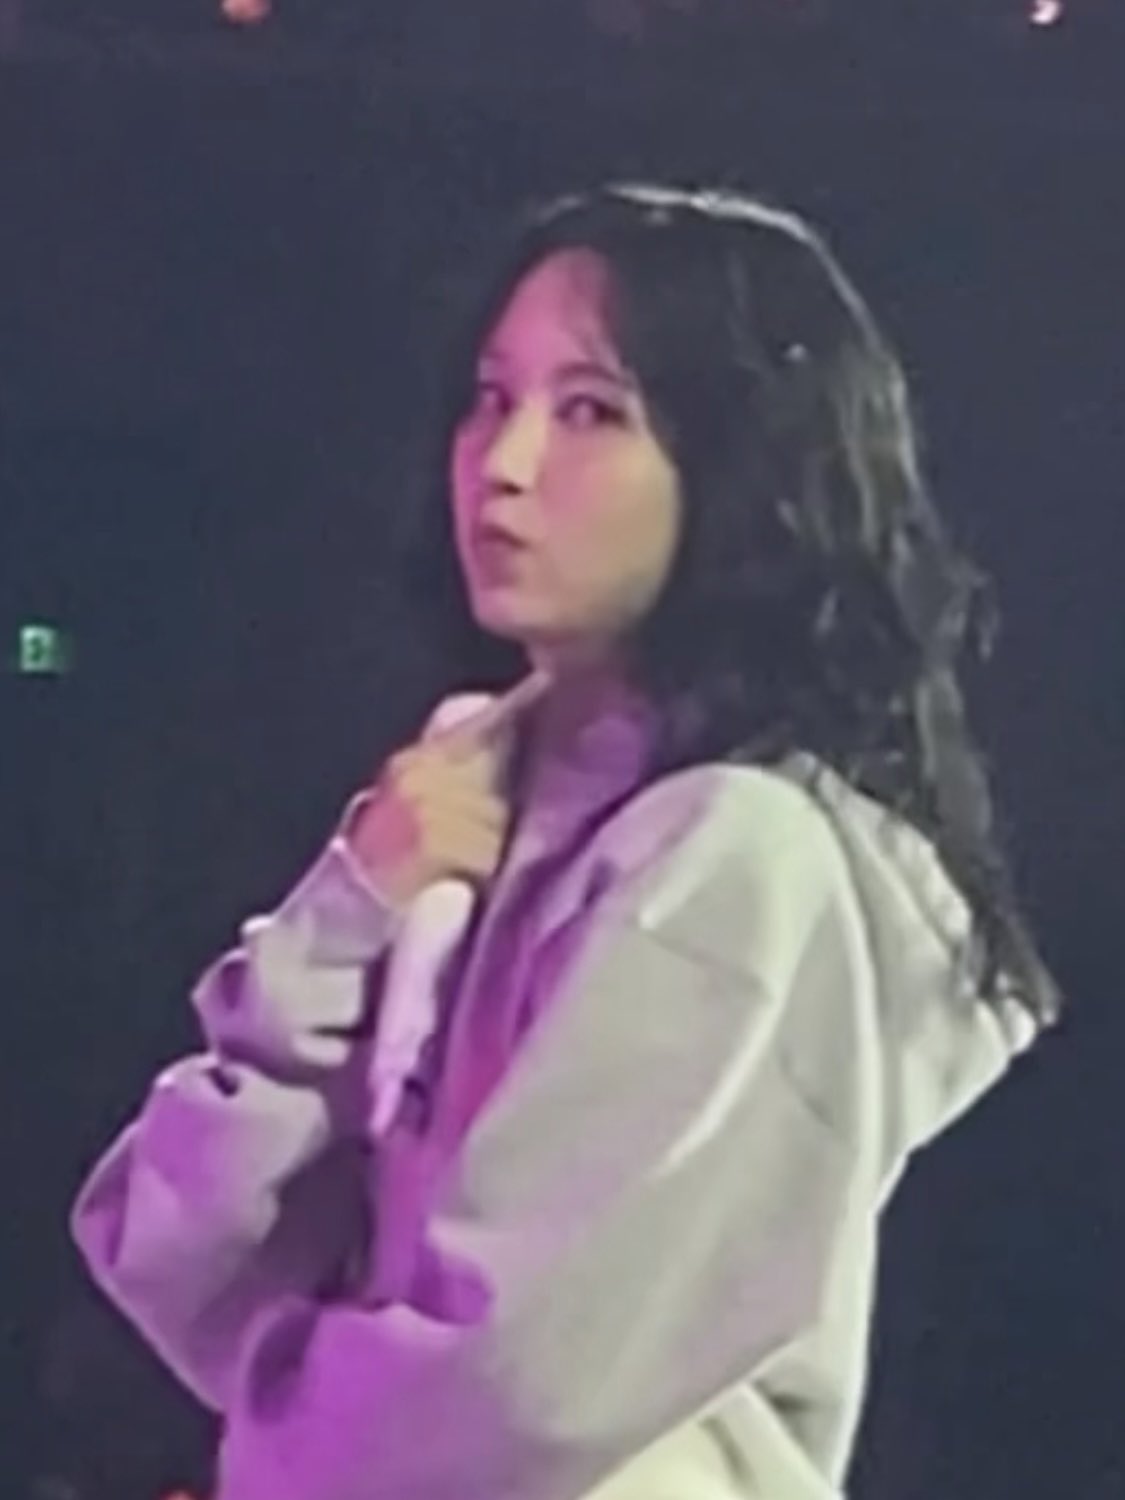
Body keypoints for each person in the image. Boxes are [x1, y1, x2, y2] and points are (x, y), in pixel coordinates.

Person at [71, 181, 1060, 1500]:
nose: (506, 460)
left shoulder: (739, 858)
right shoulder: (459, 800)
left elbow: (504, 1397)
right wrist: (353, 906)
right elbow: (169, 1254)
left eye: (591, 410)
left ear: (738, 464)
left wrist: (290, 1426)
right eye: (491, 398)